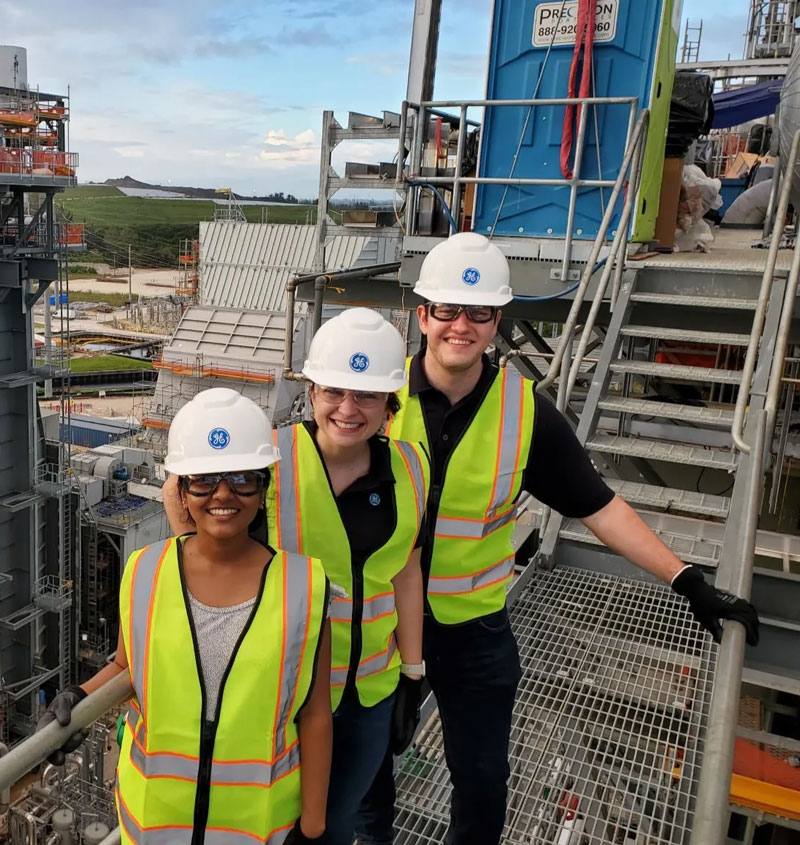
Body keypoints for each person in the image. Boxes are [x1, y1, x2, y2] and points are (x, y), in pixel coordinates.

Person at [357, 232, 761, 845]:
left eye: (479, 313)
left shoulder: (526, 413)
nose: (460, 326)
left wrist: (688, 581)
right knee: (367, 777)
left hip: (474, 631)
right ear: (423, 315)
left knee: (484, 782)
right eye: (446, 310)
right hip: (383, 625)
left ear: (497, 320)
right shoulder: (375, 402)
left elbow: (597, 506)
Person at [164, 309, 430, 845]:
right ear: (311, 391)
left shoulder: (412, 466)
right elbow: (182, 495)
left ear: (389, 405)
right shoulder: (268, 460)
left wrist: (413, 672)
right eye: (334, 391)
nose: (349, 410)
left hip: (368, 692)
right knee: (274, 824)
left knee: (332, 826)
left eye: (367, 396)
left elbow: (406, 568)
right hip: (282, 692)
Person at [38, 388, 332, 845]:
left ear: (263, 486)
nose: (223, 495)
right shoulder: (144, 571)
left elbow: (314, 712)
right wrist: (78, 697)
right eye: (204, 480)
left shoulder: (304, 587)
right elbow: (126, 668)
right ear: (180, 487)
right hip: (155, 823)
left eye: (241, 478)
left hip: (255, 829)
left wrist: (313, 826)